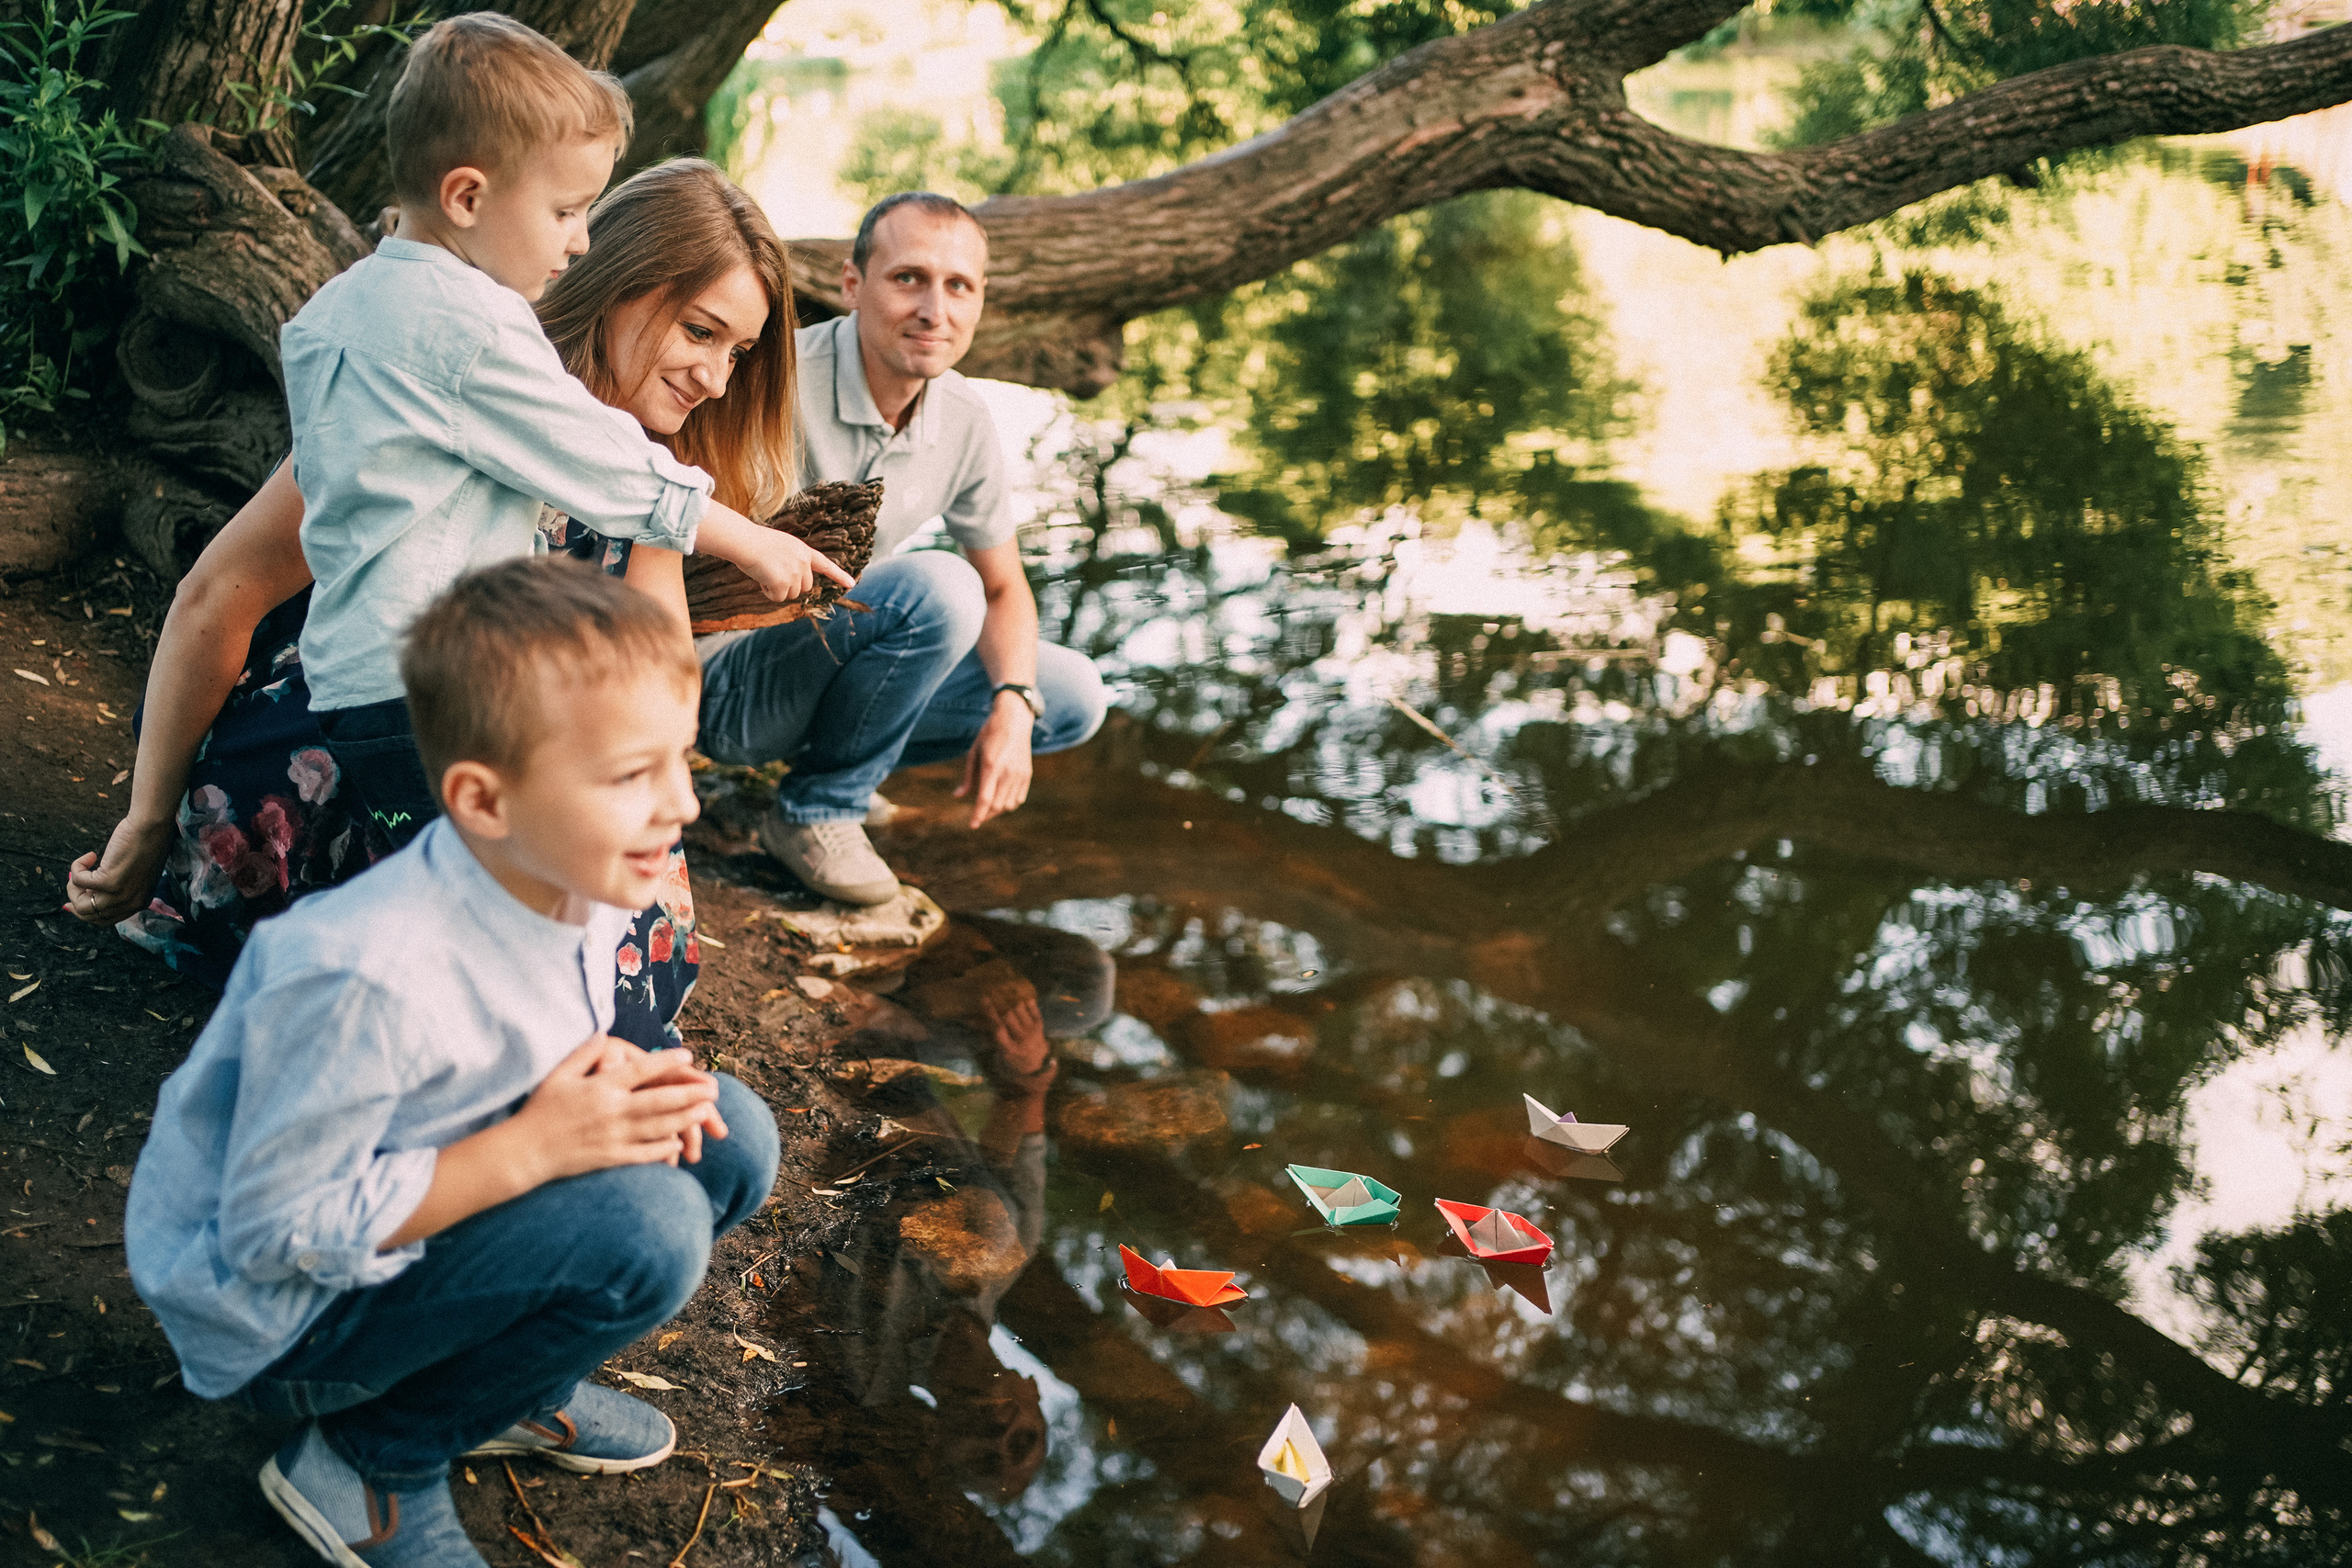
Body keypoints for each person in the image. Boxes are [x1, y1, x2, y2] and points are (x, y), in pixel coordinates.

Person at [127, 559, 782, 1568]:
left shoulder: (579, 875)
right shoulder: (363, 976)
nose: (681, 807)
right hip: (278, 1318)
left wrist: (620, 1074)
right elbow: (273, 1229)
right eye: (629, 776)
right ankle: (368, 1461)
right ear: (484, 799)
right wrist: (533, 1149)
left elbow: (542, 1037)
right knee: (646, 1229)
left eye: (680, 763)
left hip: (426, 1198)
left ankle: (500, 1387)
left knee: (729, 1137)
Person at [64, 152, 800, 1043]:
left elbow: (660, 700)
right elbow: (219, 590)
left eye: (739, 352)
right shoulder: (437, 395)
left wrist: (660, 519)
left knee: (617, 983)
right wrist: (145, 822)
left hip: (525, 776)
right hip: (354, 745)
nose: (717, 379)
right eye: (699, 331)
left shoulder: (654, 478)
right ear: (621, 284)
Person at [695, 191, 1109, 907]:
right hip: (722, 683)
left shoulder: (965, 419)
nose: (934, 310)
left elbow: (1007, 587)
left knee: (1067, 696)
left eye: (959, 286)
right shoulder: (770, 380)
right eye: (909, 278)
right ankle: (817, 810)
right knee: (941, 590)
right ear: (853, 286)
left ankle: (841, 765)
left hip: (823, 662)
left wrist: (1012, 704)